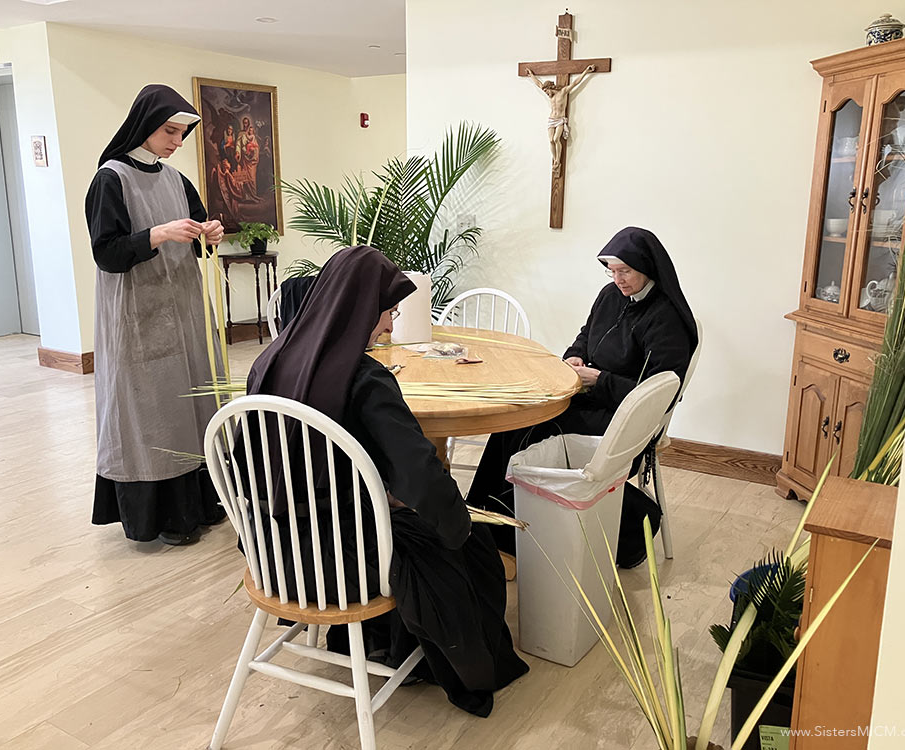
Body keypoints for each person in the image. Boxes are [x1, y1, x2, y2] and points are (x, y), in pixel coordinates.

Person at [240, 245, 528, 717]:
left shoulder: (270, 360)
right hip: (336, 558)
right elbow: (420, 475)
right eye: (388, 312)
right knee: (467, 544)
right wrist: (458, 524)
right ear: (360, 310)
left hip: (275, 546)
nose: (391, 326)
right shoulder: (366, 380)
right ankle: (440, 663)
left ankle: (381, 640)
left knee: (407, 516)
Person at [465, 226, 698, 554]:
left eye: (625, 271)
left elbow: (655, 396)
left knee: (538, 428)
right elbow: (586, 335)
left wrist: (598, 379)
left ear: (647, 267)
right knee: (514, 421)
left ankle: (508, 532)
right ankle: (480, 519)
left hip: (620, 418)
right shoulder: (609, 296)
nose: (618, 280)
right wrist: (574, 357)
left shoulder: (665, 320)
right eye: (612, 271)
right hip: (590, 398)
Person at [85, 84, 226, 546]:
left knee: (193, 402)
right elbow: (106, 253)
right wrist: (158, 233)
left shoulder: (176, 180)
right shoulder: (110, 180)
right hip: (137, 314)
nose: (177, 143)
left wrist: (211, 234)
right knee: (151, 409)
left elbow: (200, 242)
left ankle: (204, 504)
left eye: (182, 134)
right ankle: (161, 518)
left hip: (183, 309)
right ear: (145, 126)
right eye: (170, 132)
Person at [525, 64, 597, 174]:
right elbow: (539, 84)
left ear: (551, 88)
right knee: (550, 140)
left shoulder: (562, 92)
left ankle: (558, 159)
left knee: (556, 139)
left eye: (547, 91)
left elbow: (575, 83)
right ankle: (555, 160)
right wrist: (531, 75)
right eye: (545, 92)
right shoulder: (550, 95)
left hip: (560, 120)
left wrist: (586, 71)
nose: (546, 94)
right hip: (551, 119)